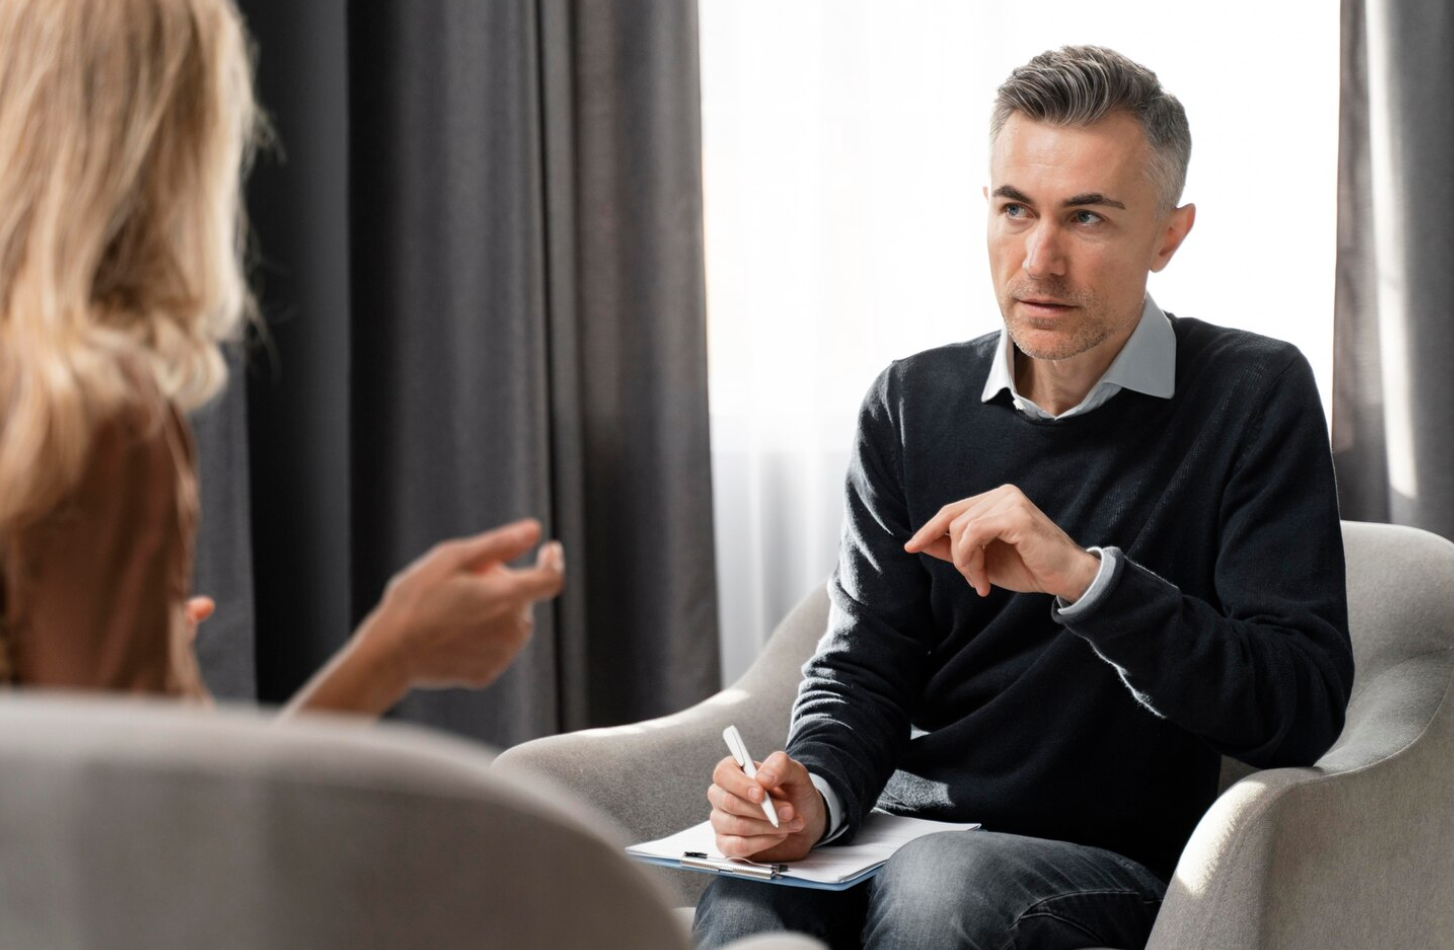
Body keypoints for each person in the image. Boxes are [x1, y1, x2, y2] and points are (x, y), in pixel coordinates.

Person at [694, 45, 1354, 950]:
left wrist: (1086, 582)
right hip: (904, 838)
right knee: (749, 898)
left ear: (1169, 232)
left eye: (1085, 217)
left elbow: (1299, 708)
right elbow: (863, 667)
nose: (1038, 259)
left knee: (939, 888)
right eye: (1016, 209)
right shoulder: (909, 403)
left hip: (1103, 866)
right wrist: (812, 791)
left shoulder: (1253, 393)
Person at [0, 0, 563, 714]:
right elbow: (169, 824)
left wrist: (135, 651)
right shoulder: (99, 414)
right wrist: (394, 652)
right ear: (177, 140)